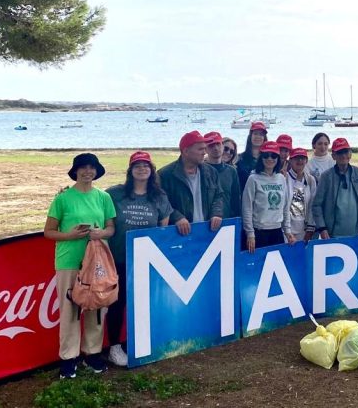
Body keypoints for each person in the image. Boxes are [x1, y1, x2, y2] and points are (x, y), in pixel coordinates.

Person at [43, 153, 116, 379]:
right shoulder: (62, 199)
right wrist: (70, 234)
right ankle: (68, 358)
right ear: (75, 171)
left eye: (91, 168)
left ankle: (92, 353)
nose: (87, 171)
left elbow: (110, 228)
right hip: (68, 261)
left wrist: (100, 233)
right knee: (70, 311)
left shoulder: (103, 197)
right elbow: (49, 232)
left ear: (97, 171)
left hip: (97, 262)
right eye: (83, 167)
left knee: (96, 307)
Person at [105, 151, 174, 366]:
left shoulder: (159, 197)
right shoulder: (115, 194)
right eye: (137, 165)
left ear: (152, 170)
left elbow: (163, 228)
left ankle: (144, 342)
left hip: (146, 261)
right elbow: (94, 202)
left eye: (146, 165)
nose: (142, 168)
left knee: (146, 302)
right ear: (130, 170)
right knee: (118, 302)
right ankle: (115, 347)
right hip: (120, 258)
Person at [159, 131, 225, 236]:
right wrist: (177, 217)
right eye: (200, 149)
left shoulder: (211, 172)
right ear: (185, 151)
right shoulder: (165, 175)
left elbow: (219, 196)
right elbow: (160, 203)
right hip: (178, 233)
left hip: (207, 231)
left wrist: (216, 213)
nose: (204, 152)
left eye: (204, 148)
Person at [311, 137, 358, 238]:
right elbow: (317, 205)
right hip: (332, 233)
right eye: (339, 153)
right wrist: (322, 228)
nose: (343, 155)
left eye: (346, 152)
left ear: (350, 154)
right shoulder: (326, 176)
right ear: (333, 156)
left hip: (356, 232)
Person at [241, 140, 295, 251]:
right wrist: (250, 233)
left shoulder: (281, 178)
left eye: (274, 156)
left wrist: (288, 231)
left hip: (277, 231)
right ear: (261, 157)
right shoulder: (253, 178)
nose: (270, 159)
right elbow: (247, 208)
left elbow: (285, 208)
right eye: (266, 156)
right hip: (259, 232)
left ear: (278, 158)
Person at [204, 131, 241, 220]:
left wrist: (237, 220)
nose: (216, 148)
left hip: (226, 221)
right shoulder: (200, 169)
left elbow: (236, 200)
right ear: (205, 149)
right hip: (204, 222)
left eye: (218, 144)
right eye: (211, 145)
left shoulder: (232, 171)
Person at [284, 148, 317, 242]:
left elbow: (312, 205)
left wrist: (310, 229)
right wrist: (286, 230)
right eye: (296, 158)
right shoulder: (284, 178)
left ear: (306, 160)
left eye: (302, 158)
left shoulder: (311, 180)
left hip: (303, 230)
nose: (299, 161)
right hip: (286, 230)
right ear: (290, 160)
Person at [236, 121, 269, 189]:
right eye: (255, 133)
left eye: (261, 134)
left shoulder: (269, 159)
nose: (258, 137)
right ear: (250, 136)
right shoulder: (239, 158)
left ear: (264, 138)